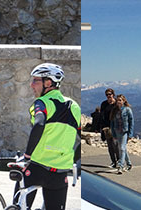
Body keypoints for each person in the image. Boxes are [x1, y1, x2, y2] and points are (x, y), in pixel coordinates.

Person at [22, 63, 82, 210]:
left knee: (21, 204)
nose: (31, 85)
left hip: (37, 166)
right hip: (60, 171)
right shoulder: (75, 106)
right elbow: (82, 139)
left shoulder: (42, 103)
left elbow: (39, 125)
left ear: (48, 83)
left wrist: (27, 155)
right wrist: (72, 158)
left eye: (36, 80)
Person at [98, 89, 119, 168]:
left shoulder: (117, 103)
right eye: (107, 94)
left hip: (115, 127)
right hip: (106, 127)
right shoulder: (104, 104)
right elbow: (101, 115)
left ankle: (119, 160)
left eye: (110, 94)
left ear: (113, 94)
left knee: (115, 145)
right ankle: (113, 161)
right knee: (110, 146)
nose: (108, 96)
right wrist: (101, 127)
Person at [113, 94, 134, 173]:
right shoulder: (115, 111)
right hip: (117, 131)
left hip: (124, 131)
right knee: (123, 149)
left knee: (121, 148)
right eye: (117, 100)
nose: (118, 102)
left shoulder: (127, 110)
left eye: (120, 100)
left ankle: (121, 166)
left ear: (124, 101)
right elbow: (113, 123)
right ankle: (129, 164)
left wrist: (130, 133)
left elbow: (131, 122)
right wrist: (113, 134)